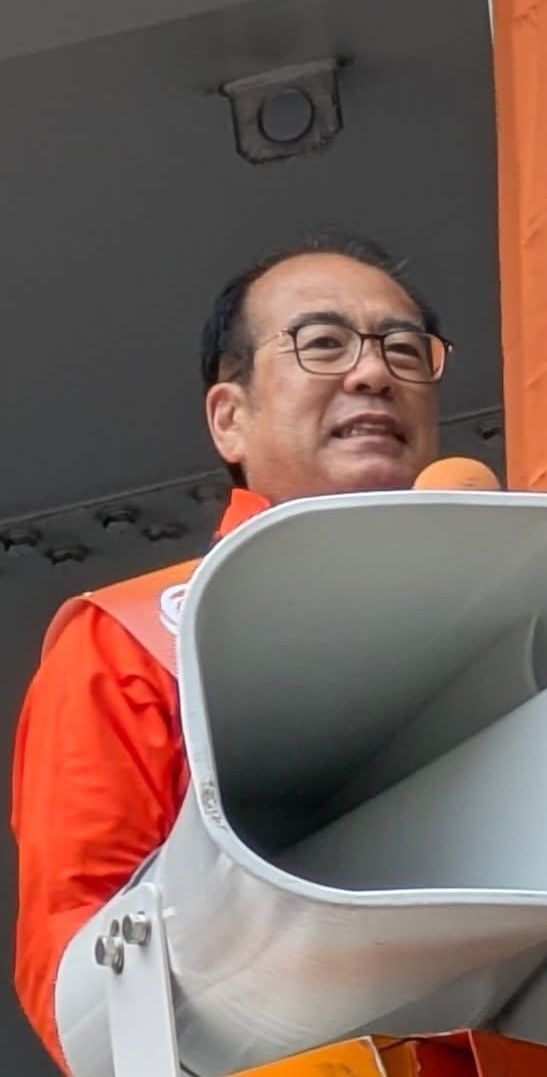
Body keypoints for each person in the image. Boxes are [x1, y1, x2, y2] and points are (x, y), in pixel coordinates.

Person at [10, 230, 448, 1069]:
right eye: (323, 344)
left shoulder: (511, 602)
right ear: (230, 419)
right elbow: (77, 959)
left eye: (403, 349)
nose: (373, 373)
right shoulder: (134, 639)